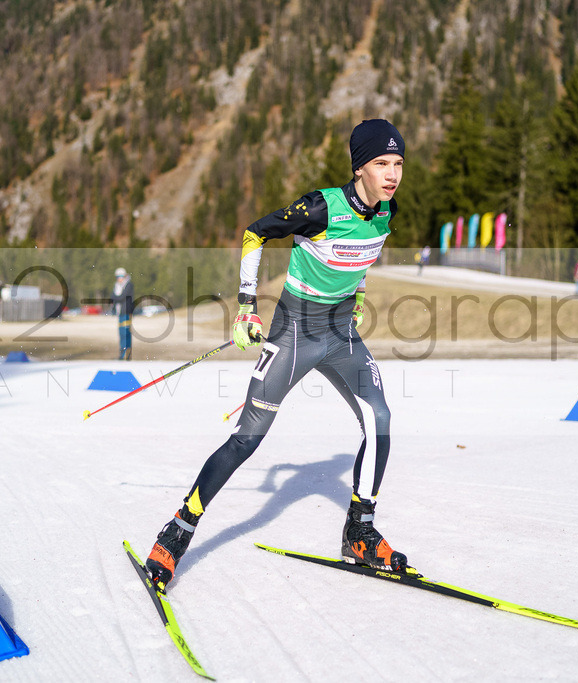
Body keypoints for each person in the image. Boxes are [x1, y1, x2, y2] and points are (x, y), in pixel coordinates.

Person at [144, 119, 407, 591]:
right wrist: (246, 306)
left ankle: (360, 532)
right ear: (359, 168)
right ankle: (178, 530)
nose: (392, 174)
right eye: (381, 163)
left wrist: (360, 293)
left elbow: (361, 255)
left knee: (379, 419)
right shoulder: (320, 207)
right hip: (294, 333)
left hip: (341, 333)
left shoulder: (388, 211)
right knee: (248, 438)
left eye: (398, 163)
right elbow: (253, 234)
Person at [113, 267, 134, 360]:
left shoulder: (129, 285)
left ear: (125, 276)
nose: (119, 278)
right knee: (121, 333)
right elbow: (113, 296)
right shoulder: (116, 286)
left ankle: (127, 354)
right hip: (120, 312)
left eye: (121, 276)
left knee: (126, 333)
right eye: (118, 276)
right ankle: (122, 354)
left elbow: (122, 297)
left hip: (127, 312)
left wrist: (116, 298)